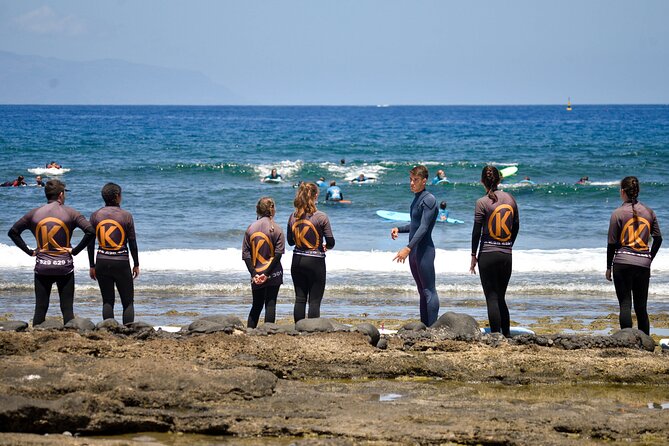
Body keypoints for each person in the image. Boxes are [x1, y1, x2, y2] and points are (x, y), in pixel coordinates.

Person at [7, 179, 95, 326]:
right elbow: (91, 231)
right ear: (61, 195)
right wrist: (75, 251)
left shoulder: (34, 213)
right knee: (67, 310)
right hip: (64, 268)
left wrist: (30, 252)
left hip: (42, 267)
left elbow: (13, 232)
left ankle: (35, 341)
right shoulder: (71, 213)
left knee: (40, 309)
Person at [606, 176, 662, 335]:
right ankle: (645, 342)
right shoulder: (649, 212)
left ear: (623, 192)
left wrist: (608, 267)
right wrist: (649, 257)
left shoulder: (617, 213)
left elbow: (611, 243)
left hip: (622, 263)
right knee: (641, 307)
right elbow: (658, 239)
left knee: (625, 305)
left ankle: (626, 341)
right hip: (643, 264)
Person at [469, 166, 520, 337]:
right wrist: (507, 244)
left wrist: (473, 255)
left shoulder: (482, 202)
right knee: (501, 297)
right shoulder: (511, 199)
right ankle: (506, 334)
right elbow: (516, 226)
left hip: (488, 255)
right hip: (506, 254)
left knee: (491, 298)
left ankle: (496, 336)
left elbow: (476, 232)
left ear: (482, 181)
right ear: (499, 180)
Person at [391, 165, 440, 326]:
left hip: (424, 250)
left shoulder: (429, 199)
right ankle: (424, 326)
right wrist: (399, 228)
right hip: (414, 251)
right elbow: (415, 225)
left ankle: (432, 328)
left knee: (429, 291)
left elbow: (424, 227)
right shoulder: (417, 198)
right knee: (421, 291)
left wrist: (408, 247)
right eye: (411, 180)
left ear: (424, 181)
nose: (412, 183)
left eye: (416, 180)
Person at [87, 183, 140, 325]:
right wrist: (136, 264)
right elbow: (132, 243)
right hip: (121, 261)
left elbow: (90, 243)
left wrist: (92, 265)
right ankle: (128, 332)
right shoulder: (126, 216)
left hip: (102, 260)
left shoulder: (95, 215)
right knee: (128, 302)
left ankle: (108, 330)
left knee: (107, 300)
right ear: (117, 197)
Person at [287, 182, 335, 322]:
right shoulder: (321, 217)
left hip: (297, 260)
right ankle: (312, 331)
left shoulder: (292, 216)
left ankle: (298, 329)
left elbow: (290, 242)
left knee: (300, 299)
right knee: (314, 301)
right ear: (315, 196)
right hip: (315, 262)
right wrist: (326, 246)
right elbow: (331, 242)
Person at [242, 197, 285, 328]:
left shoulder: (250, 228)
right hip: (273, 272)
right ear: (273, 210)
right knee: (270, 304)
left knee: (256, 305)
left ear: (258, 210)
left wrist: (254, 273)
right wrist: (267, 274)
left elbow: (246, 254)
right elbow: (278, 255)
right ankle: (268, 333)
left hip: (256, 272)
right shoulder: (277, 229)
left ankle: (249, 331)